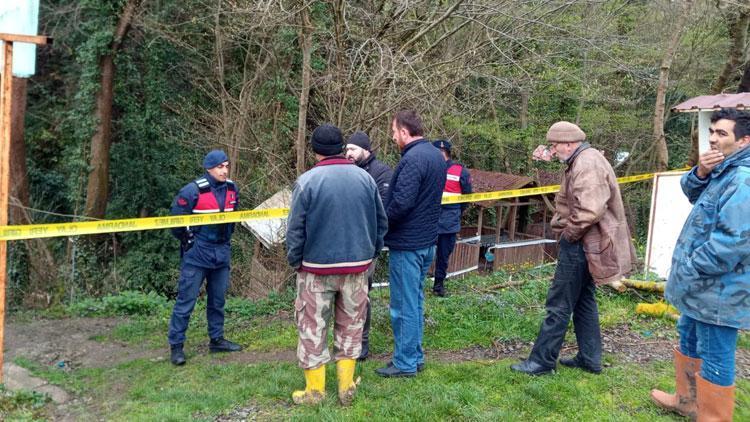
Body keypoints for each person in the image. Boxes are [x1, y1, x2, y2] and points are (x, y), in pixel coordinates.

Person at [510, 121, 636, 376]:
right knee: (583, 302)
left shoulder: (586, 164)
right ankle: (590, 359)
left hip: (582, 243)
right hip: (588, 243)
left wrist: (569, 235)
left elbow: (590, 210)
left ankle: (542, 362)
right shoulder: (582, 159)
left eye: (555, 145)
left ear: (569, 143)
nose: (553, 150)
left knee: (558, 303)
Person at [651, 108, 750, 421]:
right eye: (712, 132)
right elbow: (694, 194)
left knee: (715, 351)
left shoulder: (744, 180)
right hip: (701, 285)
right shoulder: (723, 168)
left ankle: (713, 417)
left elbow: (732, 243)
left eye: (722, 134)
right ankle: (687, 401)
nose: (712, 139)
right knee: (689, 335)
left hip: (721, 288)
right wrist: (701, 173)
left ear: (745, 140)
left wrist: (690, 267)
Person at [287, 124, 388, 406]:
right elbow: (381, 223)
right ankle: (345, 387)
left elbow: (295, 229)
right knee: (351, 326)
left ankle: (315, 392)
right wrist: (371, 254)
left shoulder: (307, 181)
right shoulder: (365, 179)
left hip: (315, 270)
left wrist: (295, 260)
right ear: (342, 148)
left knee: (312, 326)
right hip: (357, 268)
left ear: (315, 150)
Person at [375, 110, 446, 378]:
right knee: (414, 302)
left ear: (405, 132)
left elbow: (401, 203)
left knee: (403, 306)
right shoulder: (435, 156)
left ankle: (405, 363)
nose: (393, 137)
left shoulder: (413, 160)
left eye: (394, 132)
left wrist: (381, 223)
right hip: (427, 241)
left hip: (408, 245)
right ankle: (414, 357)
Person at [167, 150, 243, 366]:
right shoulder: (192, 190)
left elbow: (233, 218)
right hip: (198, 254)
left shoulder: (232, 188)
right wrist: (189, 242)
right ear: (209, 168)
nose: (225, 170)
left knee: (218, 300)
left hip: (222, 253)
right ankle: (176, 346)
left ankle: (217, 339)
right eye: (220, 166)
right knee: (186, 301)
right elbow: (175, 222)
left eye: (226, 165)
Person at [345, 131, 393, 361]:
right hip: (345, 244)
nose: (348, 154)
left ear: (366, 149)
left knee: (361, 293)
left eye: (353, 149)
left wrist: (373, 242)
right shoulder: (346, 172)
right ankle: (346, 340)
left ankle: (362, 343)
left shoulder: (381, 173)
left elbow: (382, 211)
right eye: (346, 150)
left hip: (367, 246)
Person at [431, 140, 472, 297]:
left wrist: (456, 213)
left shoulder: (460, 171)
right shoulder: (430, 168)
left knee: (443, 256)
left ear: (444, 153)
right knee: (423, 254)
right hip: (430, 219)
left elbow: (466, 198)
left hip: (448, 222)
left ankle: (438, 286)